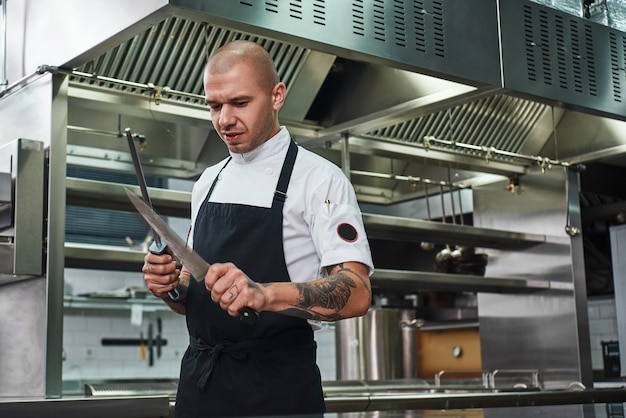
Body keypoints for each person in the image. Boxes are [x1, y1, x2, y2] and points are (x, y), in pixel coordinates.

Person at [142, 40, 374, 418]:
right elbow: (191, 297)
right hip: (201, 388)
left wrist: (264, 294)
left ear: (277, 95)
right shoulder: (207, 182)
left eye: (240, 103)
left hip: (277, 391)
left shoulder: (319, 180)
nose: (224, 119)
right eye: (215, 106)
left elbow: (358, 292)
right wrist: (169, 286)